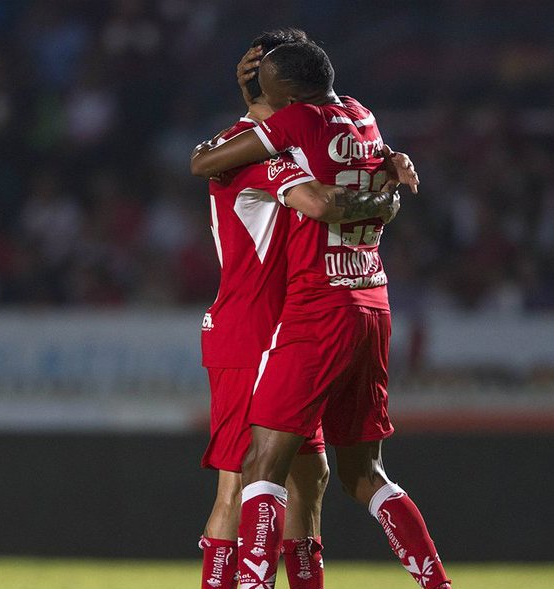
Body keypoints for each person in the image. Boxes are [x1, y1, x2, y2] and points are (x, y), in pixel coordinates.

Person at [191, 39, 451, 589]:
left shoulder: (301, 135)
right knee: (240, 483)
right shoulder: (261, 150)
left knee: (311, 481)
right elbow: (313, 197)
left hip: (302, 320)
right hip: (256, 325)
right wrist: (385, 194)